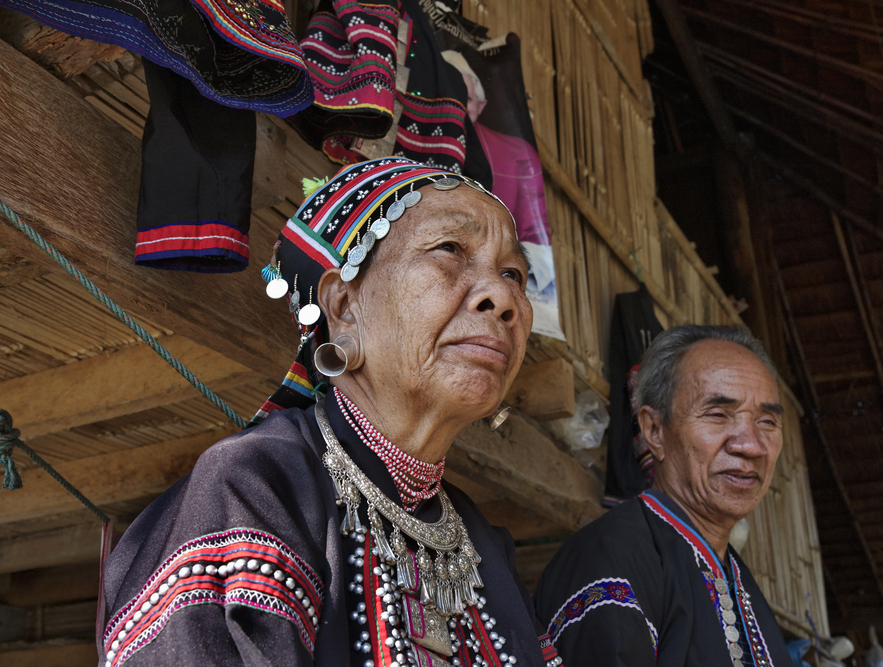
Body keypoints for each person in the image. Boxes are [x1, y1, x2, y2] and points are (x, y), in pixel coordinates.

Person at [99, 158, 562, 667]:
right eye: (450, 249)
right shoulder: (254, 487)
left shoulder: (482, 543)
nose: (503, 298)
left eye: (513, 273)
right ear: (343, 309)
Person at [533, 324, 794, 667]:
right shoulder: (611, 557)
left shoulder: (737, 578)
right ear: (654, 431)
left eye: (767, 422)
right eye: (718, 415)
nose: (751, 445)